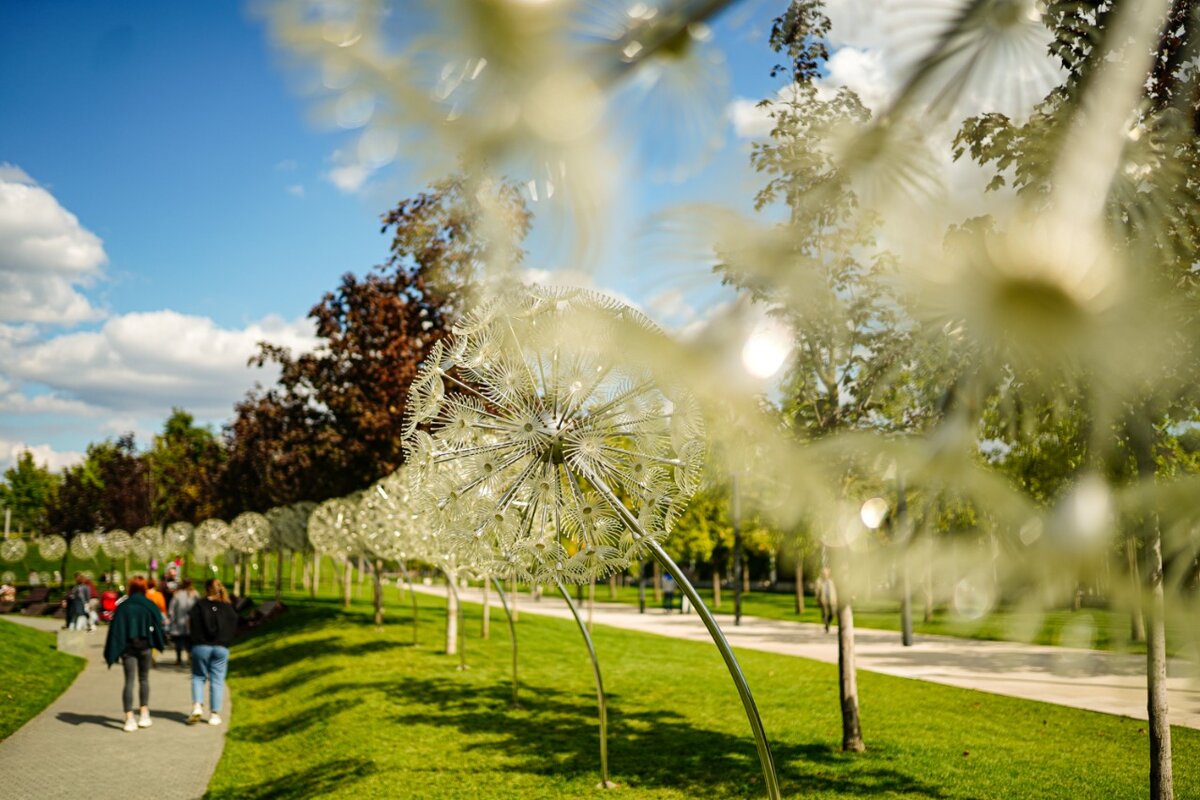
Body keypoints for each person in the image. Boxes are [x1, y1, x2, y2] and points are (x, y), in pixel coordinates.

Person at [103, 576, 166, 732]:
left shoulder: (123, 606)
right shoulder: (149, 605)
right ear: (144, 588)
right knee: (144, 679)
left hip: (128, 649)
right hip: (145, 647)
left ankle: (129, 717)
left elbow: (116, 630)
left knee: (129, 681)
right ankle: (144, 713)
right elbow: (158, 623)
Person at [187, 578, 238, 726]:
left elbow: (190, 623)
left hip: (201, 646)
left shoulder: (200, 605)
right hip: (221, 647)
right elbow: (235, 624)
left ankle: (197, 705)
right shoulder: (227, 607)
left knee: (198, 676)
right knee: (217, 679)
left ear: (206, 588)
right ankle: (214, 714)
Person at [168, 578, 199, 666]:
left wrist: (172, 618)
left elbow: (171, 609)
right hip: (191, 623)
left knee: (179, 642)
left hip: (179, 622)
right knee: (190, 641)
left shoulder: (177, 595)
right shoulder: (195, 594)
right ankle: (190, 657)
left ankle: (179, 659)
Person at [815, 567, 838, 634]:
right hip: (823, 600)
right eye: (823, 573)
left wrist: (836, 599)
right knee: (824, 613)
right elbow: (817, 591)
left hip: (832, 600)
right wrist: (817, 599)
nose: (825, 574)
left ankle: (827, 622)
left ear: (828, 574)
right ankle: (827, 625)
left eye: (826, 573)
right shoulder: (819, 581)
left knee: (832, 613)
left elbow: (835, 590)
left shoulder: (831, 581)